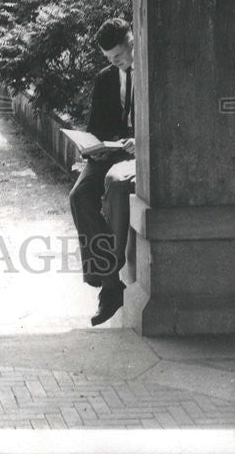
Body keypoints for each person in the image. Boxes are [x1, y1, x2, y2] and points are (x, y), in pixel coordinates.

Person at [69, 18, 136, 326]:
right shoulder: (104, 78)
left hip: (136, 153)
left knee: (115, 184)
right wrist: (92, 146)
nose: (115, 63)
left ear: (132, 40)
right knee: (80, 195)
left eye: (119, 56)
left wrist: (138, 140)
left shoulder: (151, 72)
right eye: (109, 59)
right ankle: (111, 284)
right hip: (108, 152)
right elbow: (95, 125)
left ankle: (109, 289)